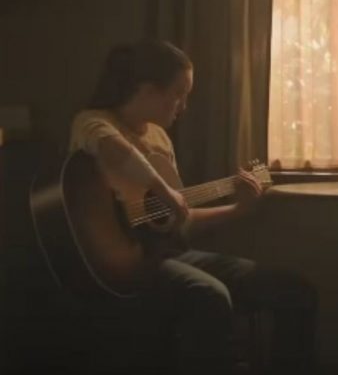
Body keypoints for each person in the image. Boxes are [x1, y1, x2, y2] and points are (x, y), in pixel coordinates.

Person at [69, 40, 317, 375]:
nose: (183, 106)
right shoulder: (93, 122)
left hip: (169, 254)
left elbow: (176, 220)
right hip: (120, 265)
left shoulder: (160, 138)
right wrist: (163, 189)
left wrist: (237, 210)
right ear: (147, 90)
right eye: (179, 94)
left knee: (294, 290)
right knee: (208, 295)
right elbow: (110, 147)